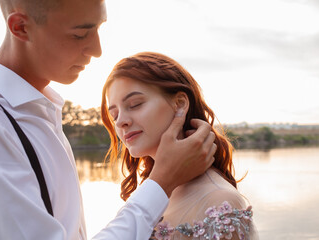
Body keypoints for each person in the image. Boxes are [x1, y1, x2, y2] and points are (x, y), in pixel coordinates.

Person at [0, 0, 217, 239]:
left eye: (98, 28)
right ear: (21, 27)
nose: (97, 50)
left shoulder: (43, 112)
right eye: (79, 34)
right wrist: (162, 181)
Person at [101, 52, 259, 240]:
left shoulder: (219, 202)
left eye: (135, 104)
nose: (120, 122)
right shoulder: (150, 191)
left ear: (180, 104)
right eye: (114, 115)